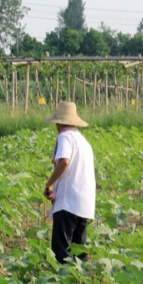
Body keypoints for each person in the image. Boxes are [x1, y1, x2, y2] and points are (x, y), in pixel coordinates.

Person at [42, 102, 95, 264]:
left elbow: (64, 162)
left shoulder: (64, 137)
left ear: (59, 122)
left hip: (68, 204)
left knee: (62, 253)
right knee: (79, 252)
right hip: (84, 204)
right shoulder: (84, 142)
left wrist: (49, 184)